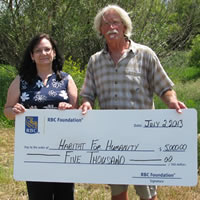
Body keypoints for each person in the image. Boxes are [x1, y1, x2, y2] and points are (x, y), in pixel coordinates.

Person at [79, 4, 186, 200]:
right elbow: (88, 93)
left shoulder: (145, 54)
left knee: (147, 192)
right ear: (100, 30)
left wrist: (172, 102)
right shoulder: (95, 61)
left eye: (115, 22)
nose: (111, 27)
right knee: (118, 191)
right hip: (111, 137)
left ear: (124, 27)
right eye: (106, 24)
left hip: (143, 138)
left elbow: (164, 87)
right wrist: (86, 103)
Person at [4, 33, 78, 200]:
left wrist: (69, 108)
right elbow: (7, 111)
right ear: (32, 55)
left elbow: (77, 112)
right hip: (34, 150)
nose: (43, 53)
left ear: (54, 53)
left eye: (47, 49)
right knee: (39, 195)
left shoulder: (67, 79)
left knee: (65, 195)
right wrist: (14, 111)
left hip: (64, 148)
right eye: (38, 50)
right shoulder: (21, 80)